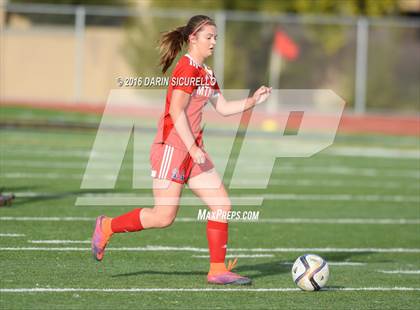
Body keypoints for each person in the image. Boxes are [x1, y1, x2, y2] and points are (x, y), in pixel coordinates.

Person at [91, 15, 271, 285]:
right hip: (172, 150)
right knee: (163, 217)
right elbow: (176, 111)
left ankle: (217, 270)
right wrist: (192, 148)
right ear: (192, 39)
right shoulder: (186, 69)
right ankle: (107, 226)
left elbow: (222, 108)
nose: (213, 42)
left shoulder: (206, 73)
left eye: (215, 37)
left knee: (221, 205)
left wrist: (253, 101)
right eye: (209, 37)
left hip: (193, 151)